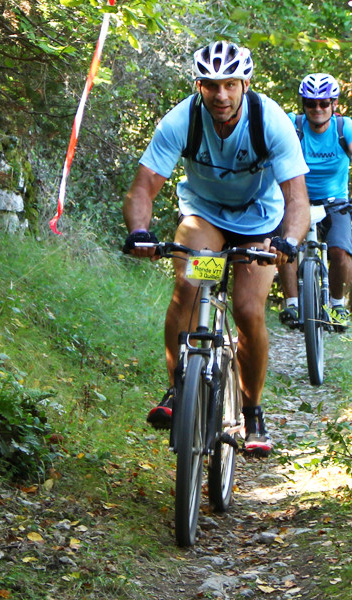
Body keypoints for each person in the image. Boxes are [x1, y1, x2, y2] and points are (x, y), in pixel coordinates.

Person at [122, 40, 309, 457]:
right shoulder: (181, 120)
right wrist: (139, 231)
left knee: (246, 309)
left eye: (229, 84)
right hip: (205, 218)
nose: (220, 95)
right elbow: (143, 187)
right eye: (210, 85)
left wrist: (289, 241)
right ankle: (178, 391)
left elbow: (297, 198)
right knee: (188, 288)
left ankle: (253, 411)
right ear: (198, 85)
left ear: (245, 83)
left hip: (260, 222)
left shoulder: (270, 121)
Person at [278, 73, 352, 332]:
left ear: (334, 104)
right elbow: (271, 149)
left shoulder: (345, 128)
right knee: (285, 244)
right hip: (297, 199)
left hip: (335, 202)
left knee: (340, 251)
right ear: (303, 105)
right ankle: (291, 304)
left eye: (324, 103)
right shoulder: (293, 125)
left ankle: (337, 305)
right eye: (311, 104)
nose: (317, 109)